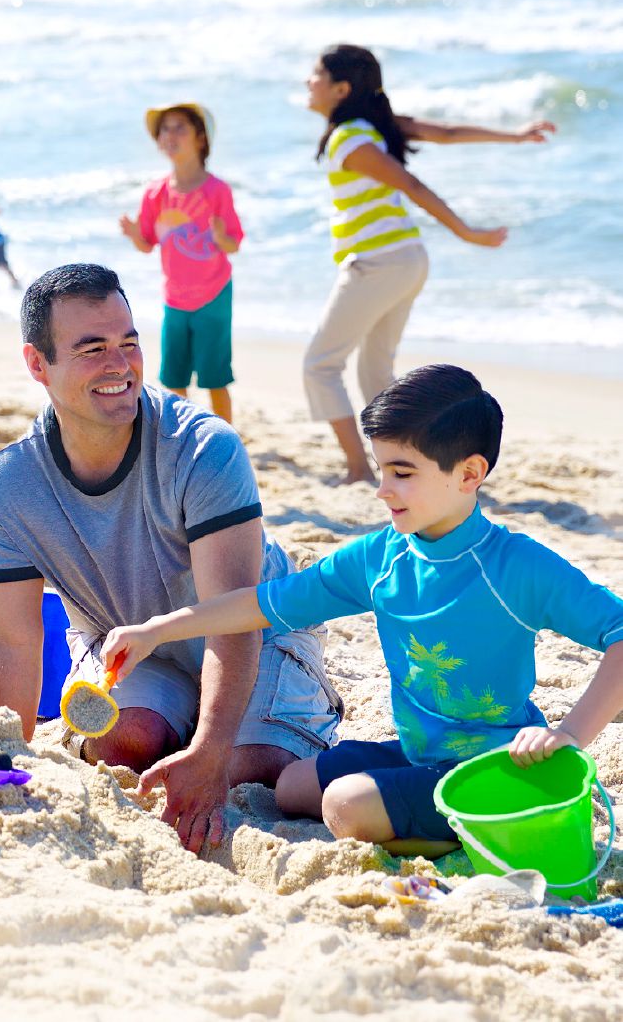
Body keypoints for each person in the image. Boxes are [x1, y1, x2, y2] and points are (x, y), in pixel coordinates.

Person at [101, 364, 623, 858]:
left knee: (344, 805)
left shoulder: (517, 566)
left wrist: (570, 734)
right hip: (422, 756)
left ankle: (478, 840)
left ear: (469, 474)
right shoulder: (381, 558)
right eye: (380, 469)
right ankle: (435, 821)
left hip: (499, 768)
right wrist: (158, 629)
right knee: (292, 786)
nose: (382, 489)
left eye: (402, 473)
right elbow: (266, 603)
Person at [0, 263, 343, 853]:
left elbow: (235, 619)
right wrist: (4, 758)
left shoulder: (203, 448)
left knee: (255, 768)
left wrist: (212, 754)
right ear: (37, 364)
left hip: (258, 634)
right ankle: (180, 725)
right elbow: (13, 641)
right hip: (128, 645)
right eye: (92, 349)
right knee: (122, 744)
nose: (119, 365)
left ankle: (225, 731)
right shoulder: (9, 484)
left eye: (129, 342)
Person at [302, 43, 556, 483]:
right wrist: (515, 136)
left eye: (316, 74)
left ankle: (359, 469)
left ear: (340, 89)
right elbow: (447, 133)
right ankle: (410, 466)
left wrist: (467, 233)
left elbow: (412, 184)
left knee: (320, 366)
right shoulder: (374, 126)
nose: (308, 81)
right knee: (375, 373)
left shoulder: (350, 139)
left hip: (379, 263)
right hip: (404, 261)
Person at [119, 103, 242, 424]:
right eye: (165, 129)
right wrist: (134, 234)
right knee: (173, 378)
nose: (170, 134)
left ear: (201, 138)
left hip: (214, 294)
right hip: (174, 298)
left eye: (180, 127)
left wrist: (221, 237)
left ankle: (226, 437)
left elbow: (234, 243)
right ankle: (183, 437)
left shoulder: (217, 190)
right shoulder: (155, 192)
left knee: (215, 378)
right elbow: (147, 244)